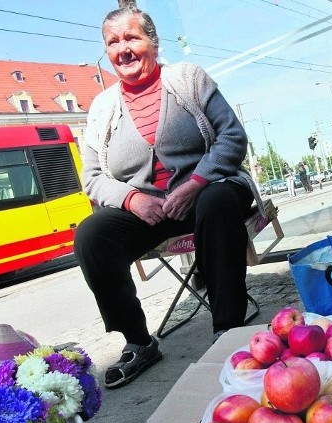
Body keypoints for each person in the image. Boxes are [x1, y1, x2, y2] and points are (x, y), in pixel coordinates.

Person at [73, 6, 257, 389]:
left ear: (152, 43)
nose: (123, 49)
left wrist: (196, 183)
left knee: (217, 202)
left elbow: (232, 137)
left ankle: (228, 331)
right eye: (113, 42)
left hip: (209, 192)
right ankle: (138, 341)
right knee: (92, 235)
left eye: (131, 37)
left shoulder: (188, 79)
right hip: (150, 209)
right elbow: (91, 177)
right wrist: (132, 200)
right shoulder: (102, 108)